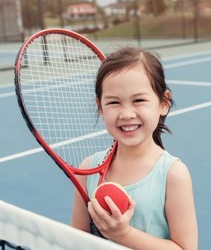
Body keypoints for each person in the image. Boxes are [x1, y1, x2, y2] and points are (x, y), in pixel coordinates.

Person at [70, 47, 198, 249]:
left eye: (138, 100)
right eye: (114, 102)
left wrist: (124, 234)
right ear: (100, 107)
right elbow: (74, 240)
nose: (127, 114)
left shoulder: (173, 174)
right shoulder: (87, 170)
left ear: (163, 102)